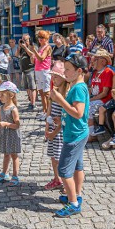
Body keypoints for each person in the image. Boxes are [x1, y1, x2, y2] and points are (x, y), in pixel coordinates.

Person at [50, 53, 90, 218]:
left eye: (67, 69)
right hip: (76, 132)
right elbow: (73, 112)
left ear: (79, 70)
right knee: (78, 166)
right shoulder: (76, 85)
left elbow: (78, 113)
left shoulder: (79, 88)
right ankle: (76, 194)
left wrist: (60, 100)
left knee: (64, 170)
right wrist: (62, 118)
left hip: (74, 136)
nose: (64, 72)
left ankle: (73, 203)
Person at [0, 81, 22, 185]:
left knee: (14, 156)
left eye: (2, 94)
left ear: (11, 95)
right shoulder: (1, 108)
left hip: (13, 135)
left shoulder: (13, 109)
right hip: (4, 135)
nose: (0, 97)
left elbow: (17, 125)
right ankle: (4, 173)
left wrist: (6, 124)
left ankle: (15, 175)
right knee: (6, 154)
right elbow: (1, 119)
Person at [44, 61, 67, 191]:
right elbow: (49, 109)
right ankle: (56, 178)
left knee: (61, 158)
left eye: (56, 76)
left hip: (61, 130)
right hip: (53, 128)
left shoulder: (66, 93)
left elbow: (64, 116)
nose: (53, 79)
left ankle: (65, 181)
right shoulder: (54, 91)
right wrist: (47, 126)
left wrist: (55, 131)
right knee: (53, 156)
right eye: (52, 76)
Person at [86, 49, 115, 136]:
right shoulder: (95, 72)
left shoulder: (108, 72)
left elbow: (104, 93)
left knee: (88, 108)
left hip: (104, 100)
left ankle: (90, 135)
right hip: (96, 98)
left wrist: (90, 99)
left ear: (102, 61)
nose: (92, 61)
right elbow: (92, 88)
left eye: (95, 59)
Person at [27, 30, 53, 120]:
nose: (40, 39)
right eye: (39, 37)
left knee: (47, 93)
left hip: (45, 71)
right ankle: (45, 111)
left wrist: (34, 50)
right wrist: (32, 56)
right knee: (41, 93)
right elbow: (35, 59)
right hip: (38, 71)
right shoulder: (40, 47)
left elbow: (42, 58)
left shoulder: (47, 47)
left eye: (42, 38)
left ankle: (50, 113)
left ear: (46, 39)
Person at [15, 34, 37, 110]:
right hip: (24, 70)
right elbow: (16, 55)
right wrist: (19, 47)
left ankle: (33, 104)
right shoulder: (21, 47)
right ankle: (30, 102)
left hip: (31, 69)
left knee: (32, 87)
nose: (24, 41)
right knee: (27, 87)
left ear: (29, 39)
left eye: (26, 40)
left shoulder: (32, 46)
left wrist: (25, 47)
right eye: (23, 40)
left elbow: (32, 55)